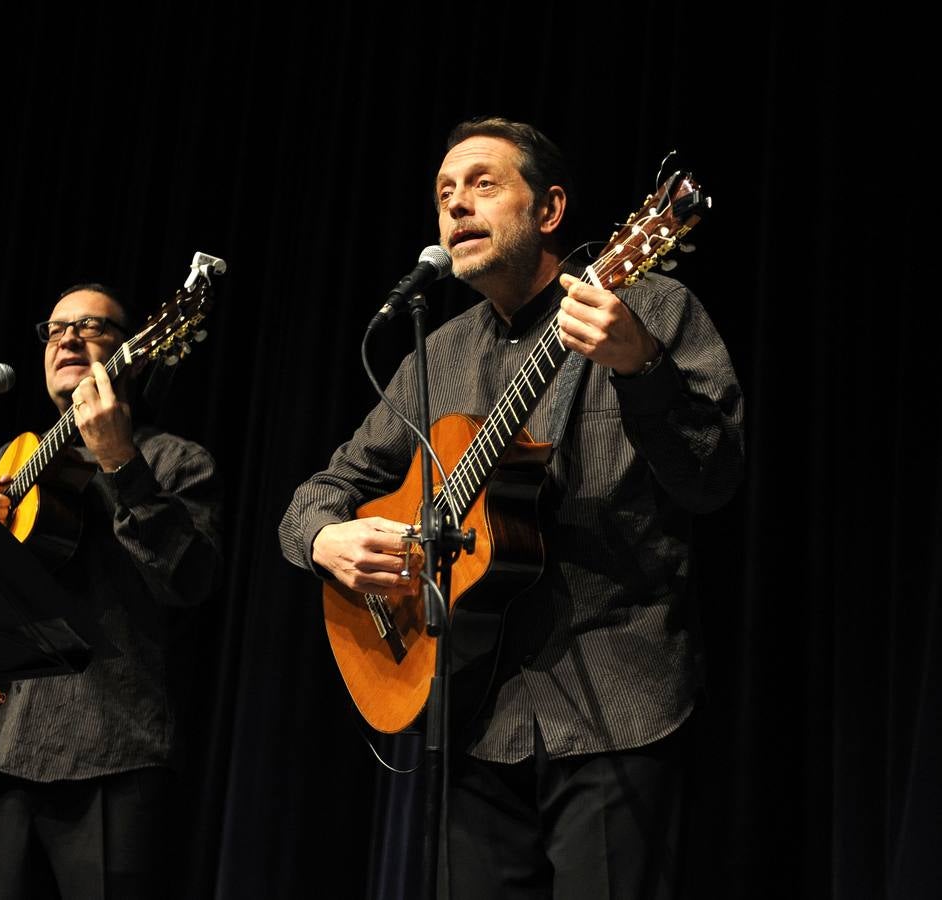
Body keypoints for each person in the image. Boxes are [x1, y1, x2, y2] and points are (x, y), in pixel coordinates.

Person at [277, 117, 743, 898]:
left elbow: (714, 477)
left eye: (482, 185)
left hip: (615, 706)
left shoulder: (647, 305)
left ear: (550, 209)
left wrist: (642, 367)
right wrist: (326, 540)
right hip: (472, 722)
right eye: (443, 194)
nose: (456, 206)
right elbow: (317, 496)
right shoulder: (440, 352)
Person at [0, 283, 222, 899]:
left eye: (91, 326)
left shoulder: (174, 459)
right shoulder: (5, 463)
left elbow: (189, 579)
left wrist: (119, 461)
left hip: (115, 753)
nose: (67, 337)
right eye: (56, 328)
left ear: (137, 349)